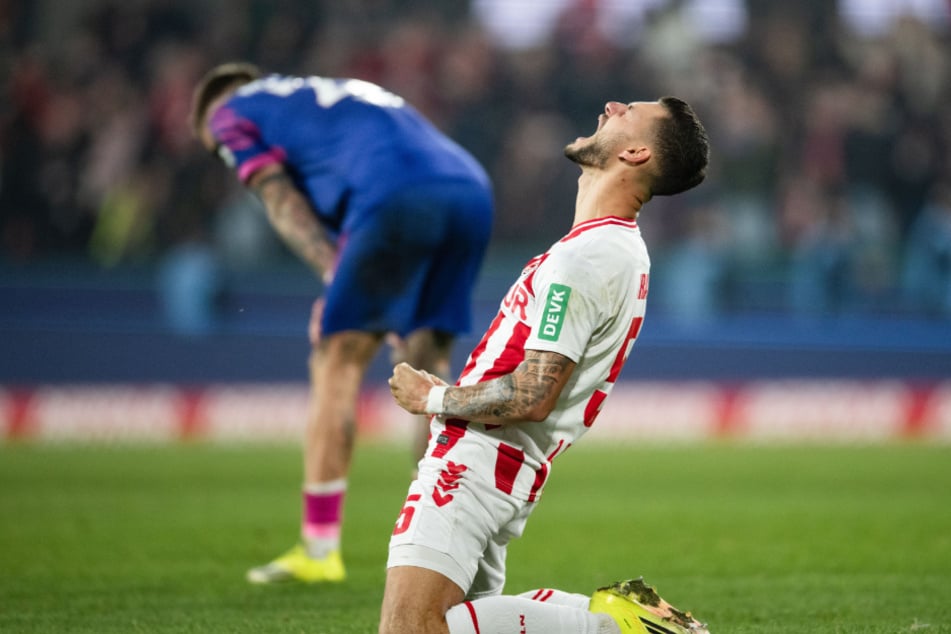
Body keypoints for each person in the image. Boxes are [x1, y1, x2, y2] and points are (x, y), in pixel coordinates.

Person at [384, 96, 711, 634]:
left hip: (478, 461)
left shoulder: (589, 258)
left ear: (635, 152)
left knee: (413, 627)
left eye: (629, 110)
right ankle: (602, 618)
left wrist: (433, 399)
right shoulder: (609, 250)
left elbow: (535, 393)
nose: (611, 104)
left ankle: (618, 627)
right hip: (495, 465)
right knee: (450, 622)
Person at [189, 63, 494, 584]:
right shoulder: (320, 94)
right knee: (428, 371)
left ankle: (319, 549)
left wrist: (336, 275)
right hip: (469, 187)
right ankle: (442, 544)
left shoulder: (229, 114)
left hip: (393, 193)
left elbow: (280, 199)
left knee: (338, 359)